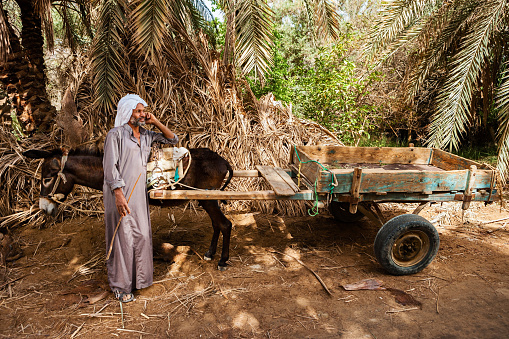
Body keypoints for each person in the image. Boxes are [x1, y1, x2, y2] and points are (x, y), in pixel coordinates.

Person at [103, 94, 178, 303]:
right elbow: (110, 168)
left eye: (143, 111)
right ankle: (120, 286)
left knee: (141, 235)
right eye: (138, 111)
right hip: (119, 194)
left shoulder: (147, 135)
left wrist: (154, 121)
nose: (142, 114)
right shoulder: (115, 135)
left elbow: (173, 139)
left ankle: (139, 280)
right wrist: (118, 194)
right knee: (123, 239)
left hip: (138, 196)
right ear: (128, 114)